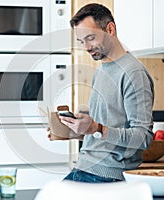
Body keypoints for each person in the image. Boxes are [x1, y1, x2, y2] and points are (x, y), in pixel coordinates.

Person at [56, 3, 154, 183]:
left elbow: (143, 138)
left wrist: (95, 128)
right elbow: (103, 131)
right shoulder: (102, 70)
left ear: (110, 29)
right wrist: (72, 131)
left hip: (108, 176)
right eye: (81, 41)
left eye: (90, 38)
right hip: (85, 167)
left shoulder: (133, 74)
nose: (86, 47)